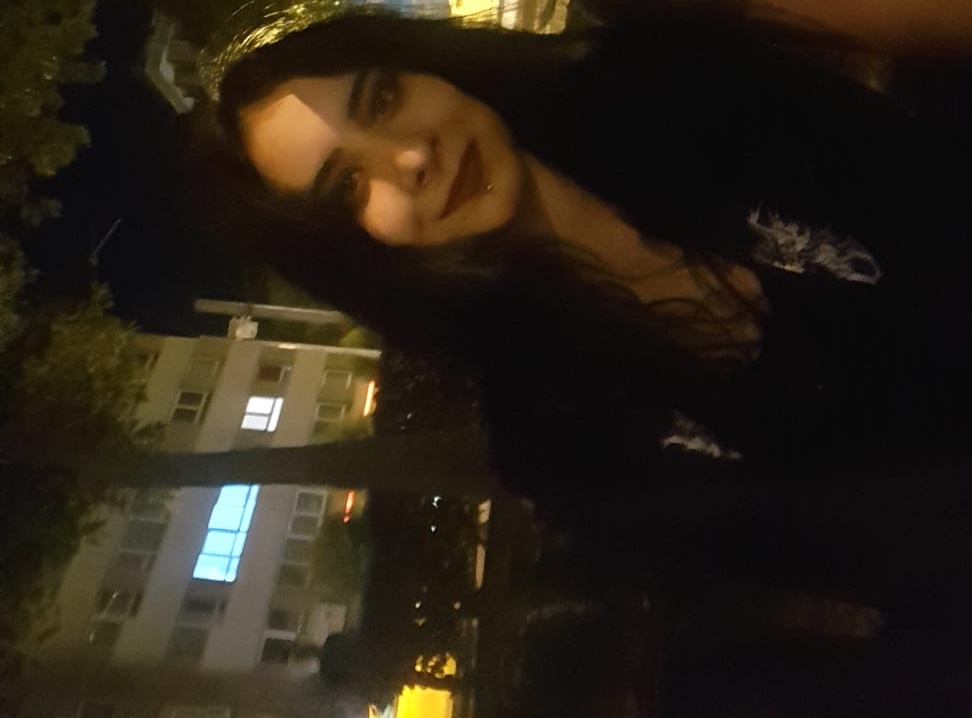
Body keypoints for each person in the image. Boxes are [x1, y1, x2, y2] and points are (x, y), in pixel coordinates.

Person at [197, 2, 972, 702]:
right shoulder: (566, 441)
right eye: (347, 186)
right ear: (354, 252)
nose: (409, 158)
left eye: (382, 100)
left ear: (425, 67)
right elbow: (892, 554)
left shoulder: (661, 82)